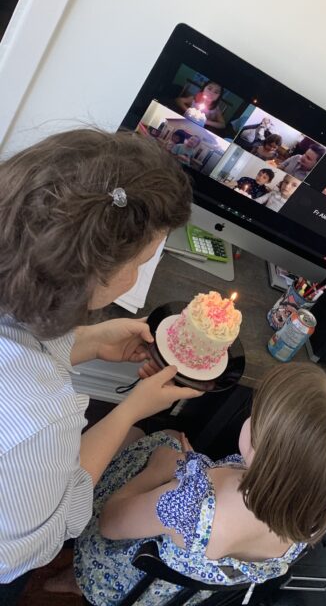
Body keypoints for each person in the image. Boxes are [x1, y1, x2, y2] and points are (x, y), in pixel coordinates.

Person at [0, 128, 202, 600]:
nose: (139, 275)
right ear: (91, 274)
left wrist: (87, 341)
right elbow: (40, 539)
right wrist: (131, 410)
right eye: (142, 262)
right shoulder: (43, 419)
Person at [49, 363, 326, 605]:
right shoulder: (318, 516)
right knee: (174, 440)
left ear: (260, 451)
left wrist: (158, 470)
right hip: (172, 592)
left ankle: (77, 578)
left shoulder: (192, 503)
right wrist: (193, 470)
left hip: (118, 576)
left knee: (147, 439)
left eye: (255, 416)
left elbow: (110, 523)